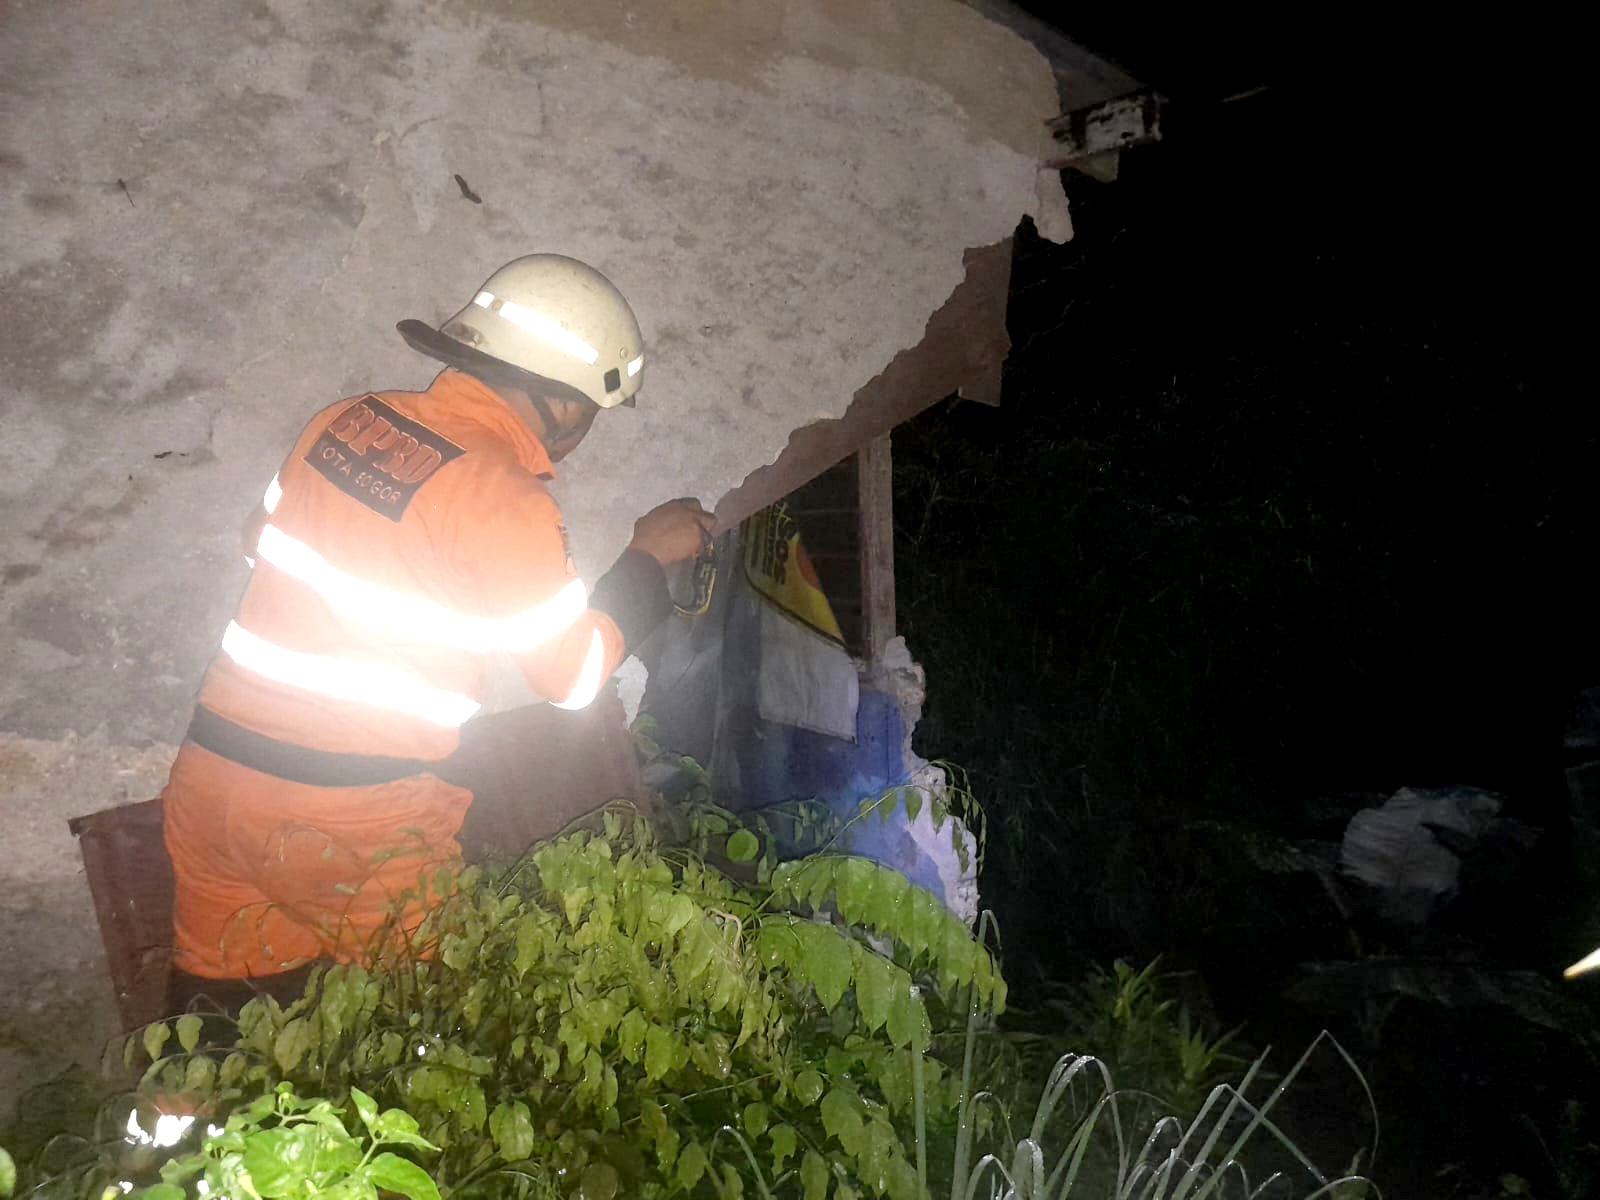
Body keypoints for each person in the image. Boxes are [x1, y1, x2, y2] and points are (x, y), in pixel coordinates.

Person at [161, 254, 713, 1009]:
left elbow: (261, 538)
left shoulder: (347, 421)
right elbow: (572, 678)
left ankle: (170, 1128)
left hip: (214, 784)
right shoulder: (504, 497)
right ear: (560, 404)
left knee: (215, 1020)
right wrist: (646, 560)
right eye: (589, 415)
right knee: (440, 1029)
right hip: (354, 819)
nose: (583, 436)